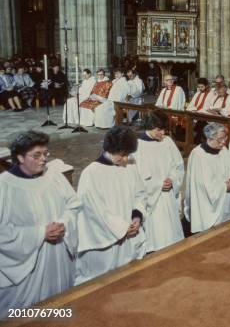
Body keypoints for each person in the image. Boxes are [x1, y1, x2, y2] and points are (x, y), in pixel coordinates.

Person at [0, 131, 81, 317]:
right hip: (28, 265)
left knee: (61, 305)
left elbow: (74, 204)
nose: (43, 159)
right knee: (29, 314)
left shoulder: (53, 175)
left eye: (45, 154)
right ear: (19, 157)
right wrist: (40, 233)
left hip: (59, 252)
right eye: (36, 155)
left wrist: (63, 223)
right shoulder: (4, 186)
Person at [76, 126, 147, 284]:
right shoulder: (91, 173)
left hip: (129, 237)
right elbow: (94, 210)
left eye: (127, 154)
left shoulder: (130, 166)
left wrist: (137, 216)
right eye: (122, 155)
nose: (125, 159)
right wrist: (122, 227)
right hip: (105, 244)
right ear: (109, 149)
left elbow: (140, 194)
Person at [132, 111, 184, 253]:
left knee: (171, 235)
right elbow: (137, 175)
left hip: (167, 195)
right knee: (156, 234)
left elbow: (178, 165)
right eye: (159, 130)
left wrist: (172, 180)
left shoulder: (167, 142)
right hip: (151, 197)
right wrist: (157, 184)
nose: (163, 133)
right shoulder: (138, 145)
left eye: (164, 129)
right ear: (149, 127)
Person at [185, 123, 230, 232]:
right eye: (220, 139)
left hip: (224, 201)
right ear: (210, 138)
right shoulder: (198, 155)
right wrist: (223, 187)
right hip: (206, 206)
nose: (223, 142)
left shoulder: (224, 150)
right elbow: (201, 185)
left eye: (225, 138)